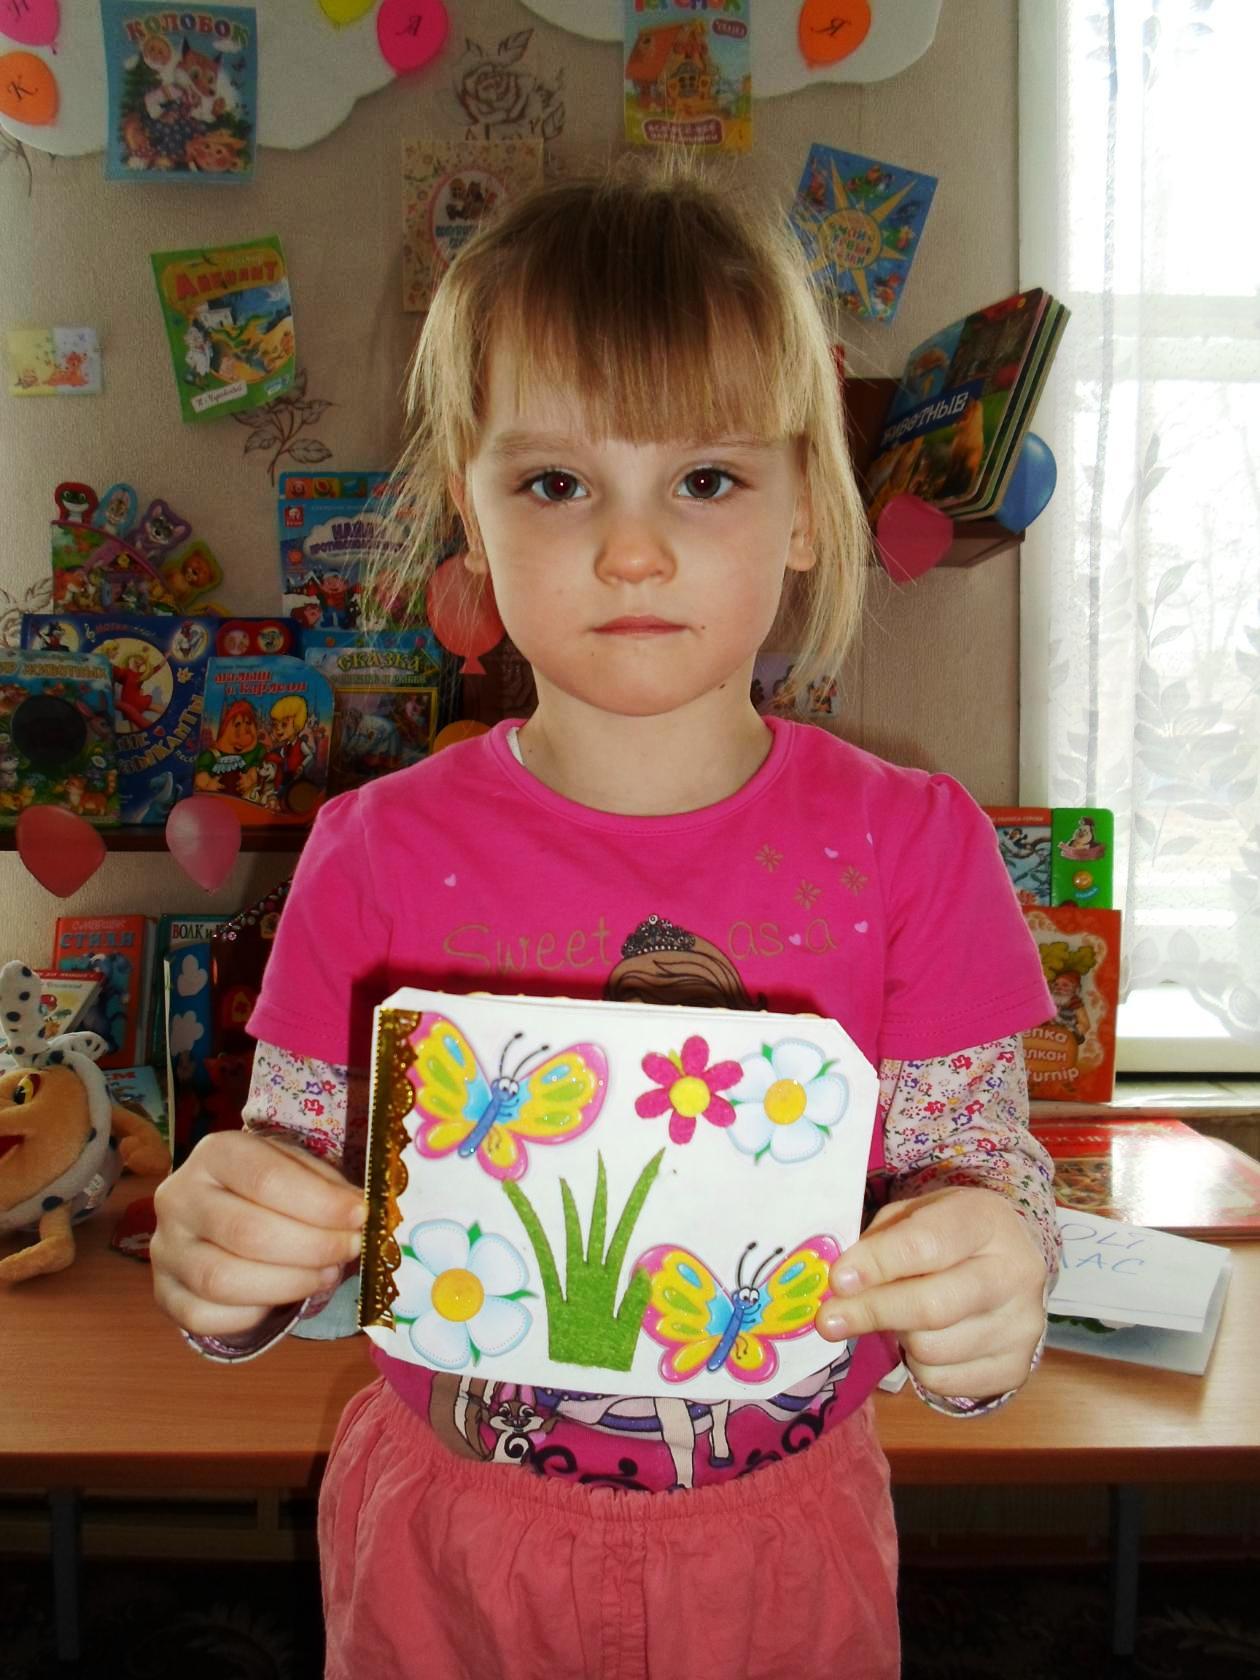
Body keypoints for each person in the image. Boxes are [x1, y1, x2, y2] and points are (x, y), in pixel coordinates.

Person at [151, 159, 1059, 1680]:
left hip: (780, 1548)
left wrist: (991, 1288)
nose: (630, 550)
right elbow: (299, 1187)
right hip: (448, 1547)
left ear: (804, 509)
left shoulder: (915, 845)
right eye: (557, 483)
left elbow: (986, 1175)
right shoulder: (371, 852)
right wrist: (231, 1265)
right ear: (471, 509)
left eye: (704, 480)